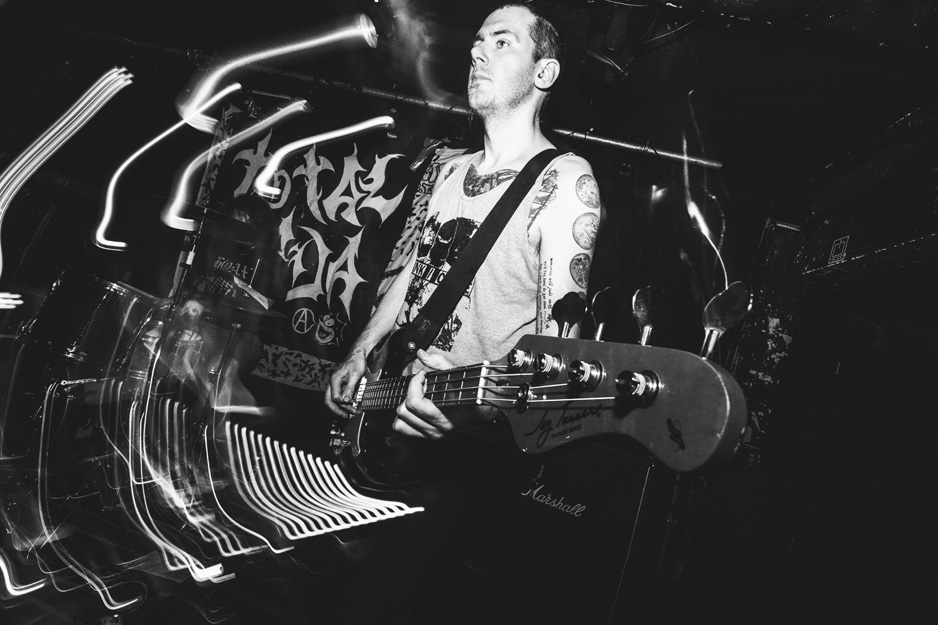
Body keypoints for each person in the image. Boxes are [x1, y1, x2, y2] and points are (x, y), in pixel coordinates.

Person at [325, 3, 602, 435]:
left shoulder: (564, 181)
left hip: (469, 437)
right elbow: (416, 271)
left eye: (502, 42)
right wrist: (361, 350)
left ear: (543, 73)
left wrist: (476, 412)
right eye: (477, 44)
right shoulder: (452, 170)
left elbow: (557, 357)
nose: (477, 53)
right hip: (391, 390)